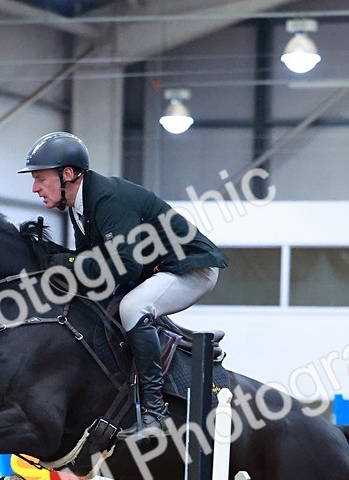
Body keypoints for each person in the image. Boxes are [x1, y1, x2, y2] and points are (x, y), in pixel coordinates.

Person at [19, 131, 227, 436]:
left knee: (132, 308)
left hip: (191, 268)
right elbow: (92, 262)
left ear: (68, 174)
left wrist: (66, 263)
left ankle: (155, 412)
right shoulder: (79, 206)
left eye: (40, 178)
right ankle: (184, 342)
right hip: (153, 270)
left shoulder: (106, 198)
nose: (35, 188)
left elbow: (123, 264)